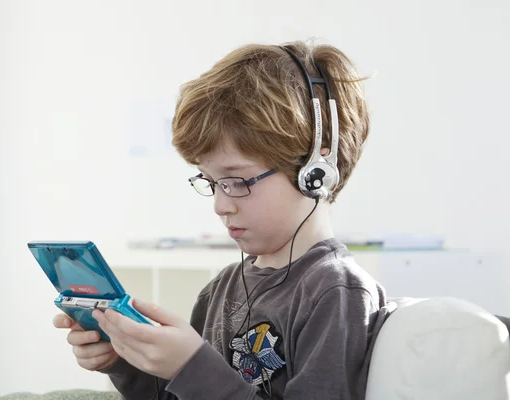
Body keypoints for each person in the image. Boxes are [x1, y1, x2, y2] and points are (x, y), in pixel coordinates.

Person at [53, 40, 390, 399]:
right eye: (212, 182)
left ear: (315, 170)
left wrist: (192, 366)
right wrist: (124, 359)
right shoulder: (224, 287)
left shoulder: (335, 293)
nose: (219, 205)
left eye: (237, 181)